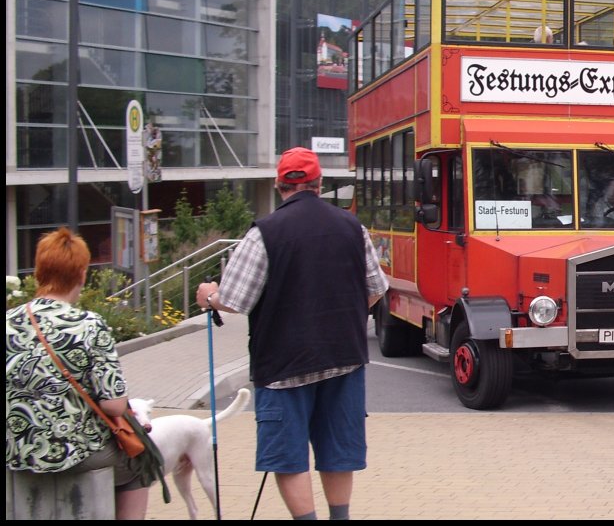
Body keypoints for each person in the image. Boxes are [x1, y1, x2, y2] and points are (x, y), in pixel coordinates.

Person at [196, 147, 388, 521]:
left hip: (283, 365)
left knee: (288, 457)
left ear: (279, 185)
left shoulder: (264, 233)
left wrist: (209, 296)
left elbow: (235, 300)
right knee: (338, 449)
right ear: (319, 184)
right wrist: (343, 316)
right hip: (343, 359)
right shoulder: (353, 228)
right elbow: (377, 287)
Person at [6, 227, 150, 520]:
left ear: (38, 272)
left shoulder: (8, 321)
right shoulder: (89, 324)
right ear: (82, 274)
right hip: (74, 452)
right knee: (141, 460)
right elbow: (114, 405)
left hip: (16, 449)